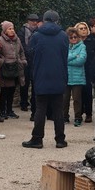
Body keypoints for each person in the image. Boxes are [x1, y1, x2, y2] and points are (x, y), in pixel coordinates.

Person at [22, 10, 69, 149]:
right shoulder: (63, 36)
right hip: (59, 75)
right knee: (58, 110)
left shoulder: (36, 36)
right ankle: (60, 140)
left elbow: (30, 54)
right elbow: (64, 55)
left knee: (40, 109)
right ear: (56, 20)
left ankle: (37, 139)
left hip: (41, 76)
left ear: (44, 20)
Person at [0, 20, 27, 120]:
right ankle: (3, 110)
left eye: (12, 28)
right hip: (5, 69)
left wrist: (23, 60)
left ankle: (10, 110)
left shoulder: (17, 40)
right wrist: (2, 61)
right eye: (9, 29)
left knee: (12, 90)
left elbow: (21, 51)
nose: (12, 30)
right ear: (5, 30)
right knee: (4, 91)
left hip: (15, 68)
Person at [79, 19, 95, 123]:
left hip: (93, 67)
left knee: (92, 90)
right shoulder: (85, 40)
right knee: (83, 91)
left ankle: (91, 111)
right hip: (83, 67)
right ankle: (83, 112)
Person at [63, 26, 87, 126]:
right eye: (71, 37)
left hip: (78, 78)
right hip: (66, 76)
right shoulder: (64, 46)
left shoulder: (82, 46)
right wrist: (74, 56)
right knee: (65, 99)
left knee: (77, 99)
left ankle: (78, 117)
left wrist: (68, 60)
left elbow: (81, 60)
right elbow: (63, 58)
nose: (73, 39)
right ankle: (64, 117)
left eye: (75, 37)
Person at [17, 13, 40, 116]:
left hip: (34, 60)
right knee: (24, 83)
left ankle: (32, 102)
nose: (34, 22)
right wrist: (28, 52)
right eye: (32, 20)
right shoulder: (22, 31)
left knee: (34, 82)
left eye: (36, 20)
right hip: (25, 60)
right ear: (28, 21)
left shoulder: (38, 31)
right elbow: (21, 44)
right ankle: (23, 103)